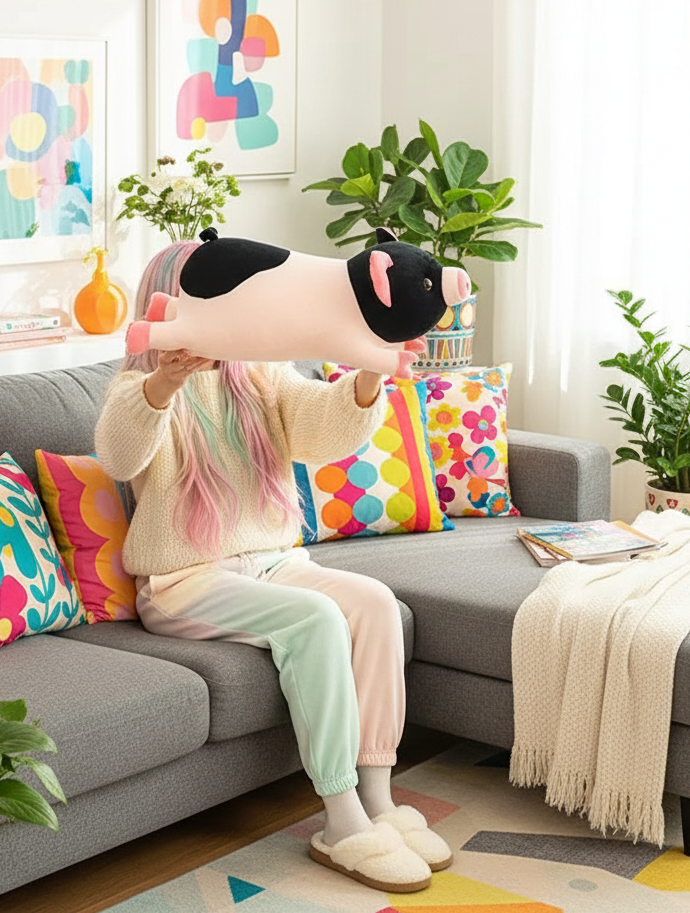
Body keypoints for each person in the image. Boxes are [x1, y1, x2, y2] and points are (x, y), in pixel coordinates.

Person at [95, 242, 452, 893]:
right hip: (185, 582)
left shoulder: (258, 375)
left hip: (270, 562)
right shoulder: (138, 389)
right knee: (315, 619)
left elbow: (321, 433)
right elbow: (120, 453)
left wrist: (369, 375)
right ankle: (341, 819)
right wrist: (167, 380)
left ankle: (379, 797)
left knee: (373, 602)